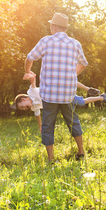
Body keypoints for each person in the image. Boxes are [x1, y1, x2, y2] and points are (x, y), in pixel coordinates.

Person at [24, 12, 88, 162]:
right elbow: (84, 63)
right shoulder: (75, 43)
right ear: (65, 28)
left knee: (47, 125)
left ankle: (51, 159)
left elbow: (30, 57)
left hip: (49, 94)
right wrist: (73, 74)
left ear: (53, 27)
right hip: (68, 94)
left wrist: (28, 71)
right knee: (73, 122)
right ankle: (81, 152)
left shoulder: (46, 41)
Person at [14, 73, 106, 134]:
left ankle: (87, 89)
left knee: (68, 81)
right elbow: (37, 116)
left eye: (23, 106)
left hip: (57, 90)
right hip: (60, 99)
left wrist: (30, 76)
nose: (25, 109)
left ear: (23, 99)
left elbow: (33, 83)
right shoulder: (34, 107)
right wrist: (40, 126)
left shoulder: (31, 92)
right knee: (82, 102)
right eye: (23, 109)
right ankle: (102, 97)